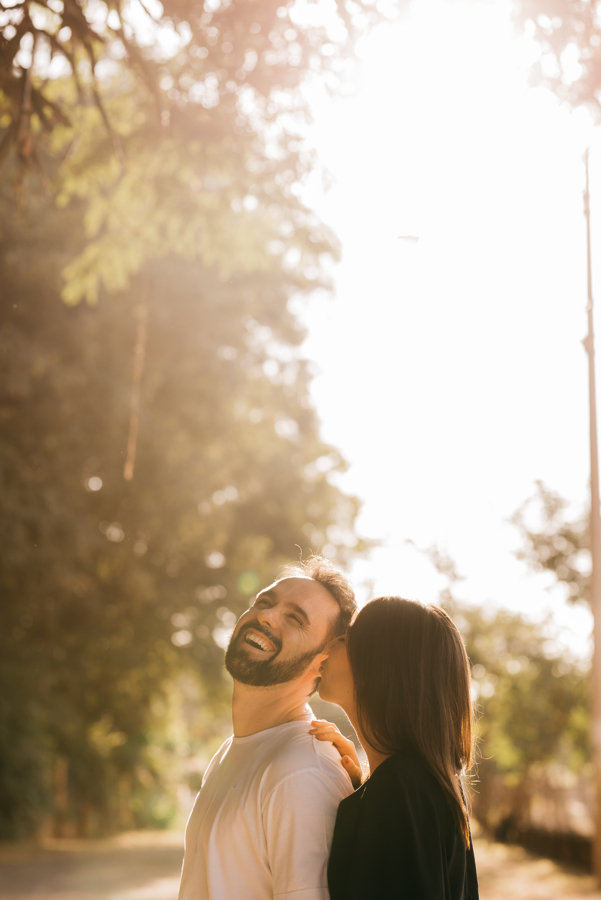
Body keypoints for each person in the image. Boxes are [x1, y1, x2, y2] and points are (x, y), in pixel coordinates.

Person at [177, 556, 357, 900]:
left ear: (322, 661)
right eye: (264, 601)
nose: (266, 615)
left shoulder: (304, 771)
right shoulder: (232, 751)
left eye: (295, 618)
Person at [311, 596, 479, 900]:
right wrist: (364, 790)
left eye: (346, 638)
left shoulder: (400, 790)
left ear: (380, 667)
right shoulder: (427, 784)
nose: (330, 644)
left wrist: (377, 795)